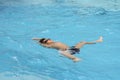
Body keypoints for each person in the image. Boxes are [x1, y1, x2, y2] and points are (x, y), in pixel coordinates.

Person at [32, 36, 103, 62]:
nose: (49, 39)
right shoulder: (49, 46)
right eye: (48, 40)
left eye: (48, 38)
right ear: (46, 43)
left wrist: (41, 39)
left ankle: (97, 41)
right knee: (60, 52)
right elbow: (37, 41)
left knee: (83, 42)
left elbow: (39, 39)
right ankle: (74, 59)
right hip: (66, 52)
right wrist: (39, 41)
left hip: (72, 49)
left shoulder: (54, 42)